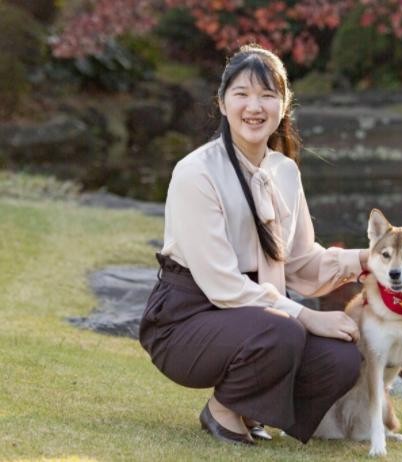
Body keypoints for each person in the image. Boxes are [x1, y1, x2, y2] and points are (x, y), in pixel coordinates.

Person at [139, 44, 369, 446]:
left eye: (267, 95)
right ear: (222, 102)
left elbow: (299, 264)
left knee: (342, 358)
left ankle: (253, 407)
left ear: (284, 104)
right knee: (283, 330)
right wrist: (307, 316)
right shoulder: (196, 172)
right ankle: (223, 409)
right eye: (242, 94)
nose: (254, 106)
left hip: (259, 318)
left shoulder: (285, 171)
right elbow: (223, 285)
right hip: (187, 317)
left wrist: (365, 261)